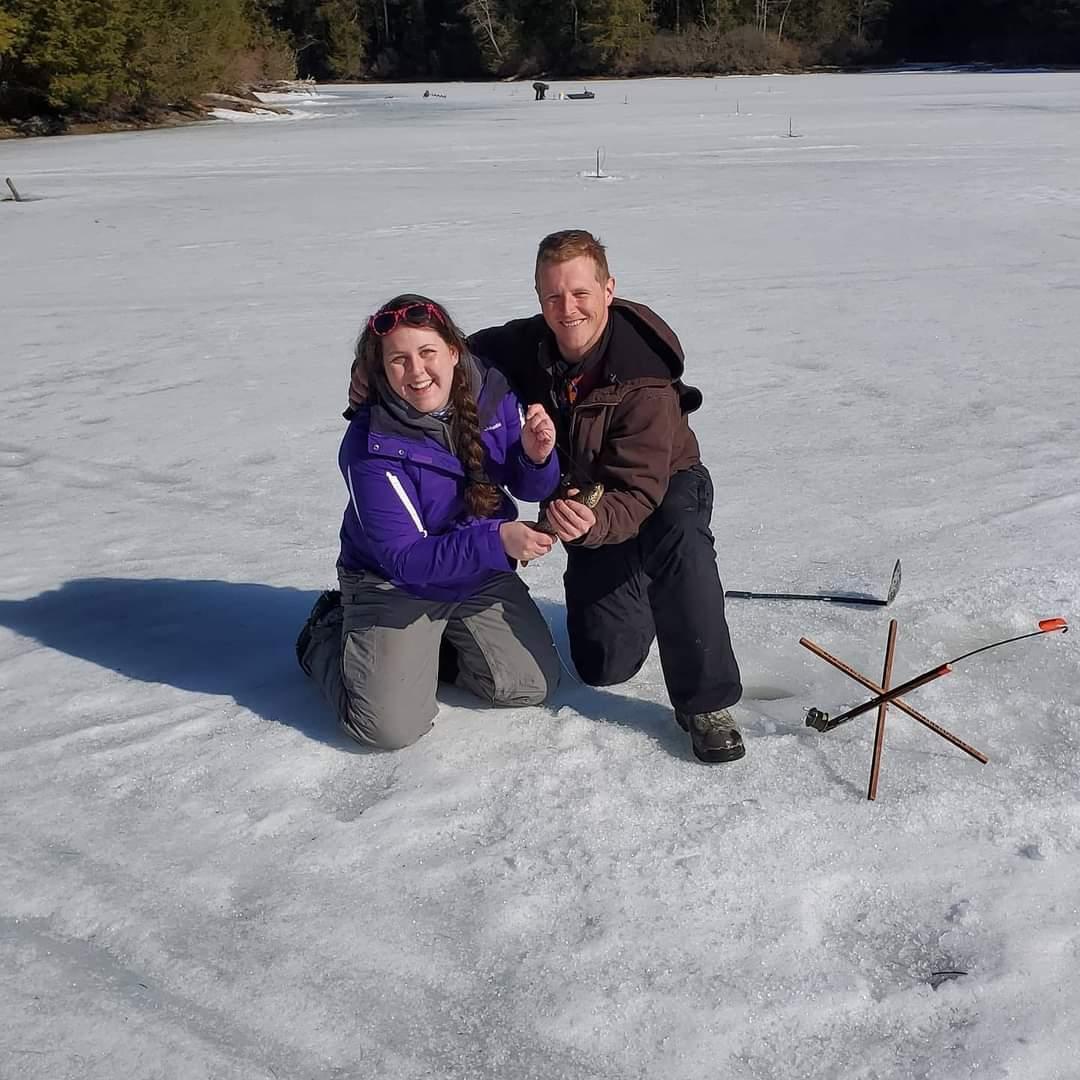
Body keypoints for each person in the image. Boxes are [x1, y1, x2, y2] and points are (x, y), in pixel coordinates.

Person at [468, 230, 745, 764]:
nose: (567, 309)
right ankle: (636, 581)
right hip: (590, 497)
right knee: (603, 665)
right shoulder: (526, 342)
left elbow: (640, 493)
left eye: (580, 294)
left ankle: (706, 703)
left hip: (663, 485)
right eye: (553, 297)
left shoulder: (645, 379)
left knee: (678, 539)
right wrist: (375, 370)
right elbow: (450, 351)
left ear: (608, 289)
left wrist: (590, 526)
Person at [296, 295, 563, 750]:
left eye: (427, 353)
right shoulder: (370, 444)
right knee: (388, 728)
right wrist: (497, 541)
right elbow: (404, 558)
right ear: (380, 369)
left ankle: (430, 652)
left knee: (530, 684)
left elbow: (528, 488)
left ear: (454, 352)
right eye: (399, 359)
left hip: (476, 575)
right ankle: (324, 636)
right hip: (394, 584)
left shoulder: (493, 392)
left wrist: (537, 458)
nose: (417, 371)